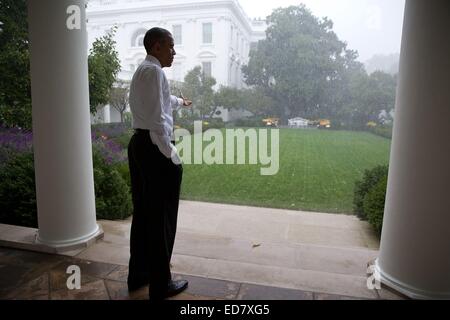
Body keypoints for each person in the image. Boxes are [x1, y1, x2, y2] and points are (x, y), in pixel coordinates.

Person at [127, 27, 192, 300]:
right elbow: (157, 122)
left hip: (140, 146)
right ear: (156, 47)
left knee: (144, 215)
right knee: (162, 220)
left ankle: (139, 275)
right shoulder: (154, 72)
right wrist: (172, 157)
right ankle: (160, 285)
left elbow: (162, 101)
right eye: (170, 46)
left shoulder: (145, 71)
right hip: (155, 149)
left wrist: (180, 101)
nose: (174, 52)